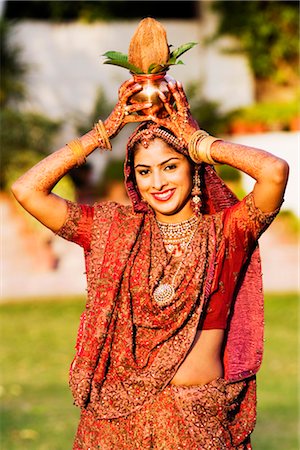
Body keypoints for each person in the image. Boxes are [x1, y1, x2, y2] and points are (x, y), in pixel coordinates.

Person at [12, 78, 288, 449]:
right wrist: (103, 132)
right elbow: (26, 190)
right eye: (145, 171)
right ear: (134, 178)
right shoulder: (114, 231)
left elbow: (274, 172)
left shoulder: (227, 233)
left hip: (198, 420)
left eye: (170, 166)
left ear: (193, 170)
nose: (157, 181)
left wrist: (198, 140)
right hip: (116, 423)